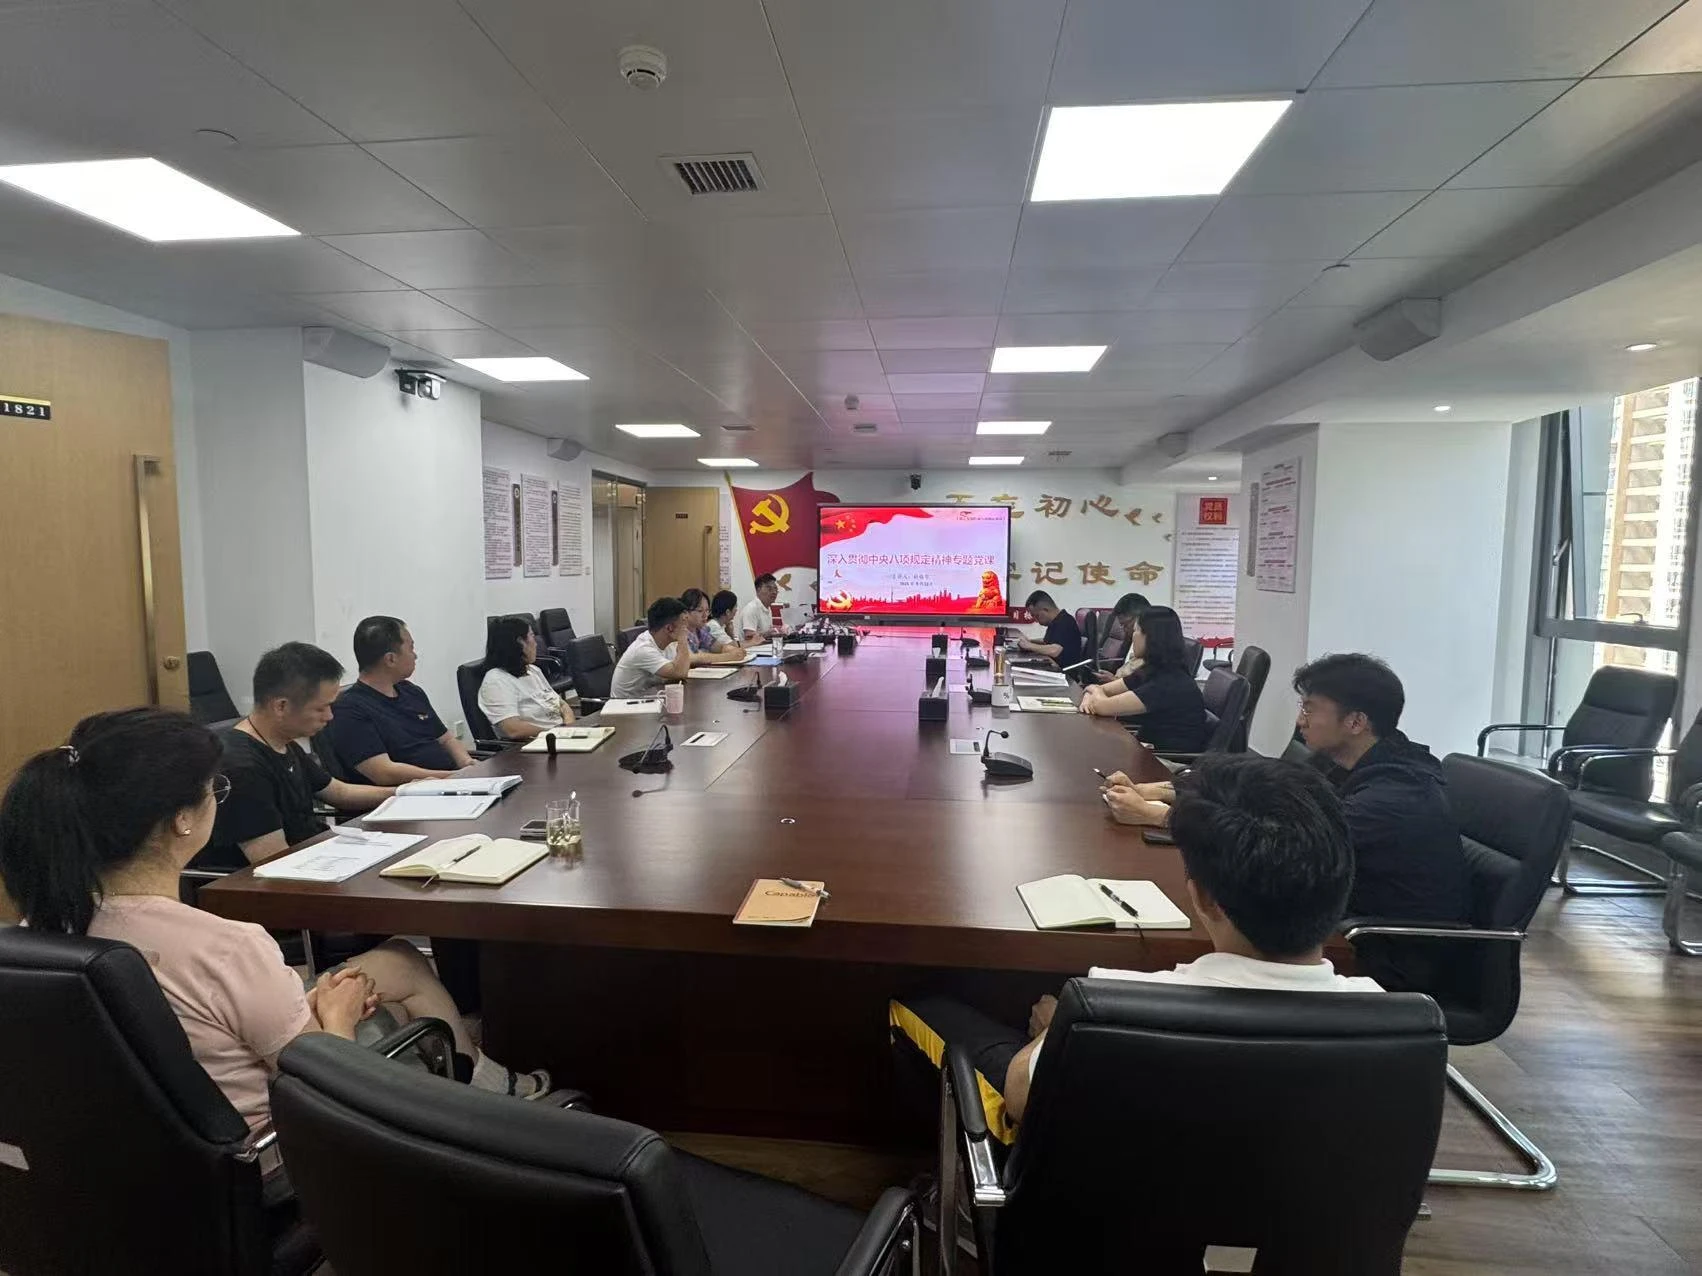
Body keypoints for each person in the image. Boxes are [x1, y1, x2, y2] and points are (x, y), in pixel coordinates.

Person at [0, 708, 551, 1134]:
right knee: (383, 1004)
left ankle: (493, 1084)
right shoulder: (226, 946)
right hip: (271, 1154)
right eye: (215, 789)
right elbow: (327, 1088)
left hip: (131, 1151)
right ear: (182, 820)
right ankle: (494, 1108)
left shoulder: (36, 933)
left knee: (399, 960)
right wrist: (335, 1016)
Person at [889, 754, 1381, 1141]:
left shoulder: (1106, 1008)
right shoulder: (1393, 1021)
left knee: (919, 1004)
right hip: (1293, 1225)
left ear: (1203, 897)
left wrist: (1053, 1031)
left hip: (1115, 1218)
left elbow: (1020, 1097)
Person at [1293, 653, 1468, 923]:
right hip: (1346, 910)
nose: (1300, 721)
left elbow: (1292, 852)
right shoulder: (1341, 763)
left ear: (1356, 722)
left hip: (1382, 940)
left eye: (1309, 709)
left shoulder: (1391, 798)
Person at [197, 642, 394, 870]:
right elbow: (275, 862)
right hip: (282, 878)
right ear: (281, 706)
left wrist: (405, 792)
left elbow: (339, 792)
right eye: (321, 708)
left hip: (314, 857)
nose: (330, 716)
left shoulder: (281, 742)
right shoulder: (241, 767)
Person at [329, 616, 474, 784]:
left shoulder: (411, 691)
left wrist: (466, 763)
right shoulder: (349, 709)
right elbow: (383, 772)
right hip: (417, 791)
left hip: (451, 782)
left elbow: (446, 739)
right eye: (411, 648)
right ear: (391, 659)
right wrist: (451, 777)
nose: (415, 656)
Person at [1077, 605, 1209, 752]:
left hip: (1167, 760)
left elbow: (1101, 706)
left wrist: (1094, 691)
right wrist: (1093, 693)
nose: (1132, 636)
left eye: (1136, 630)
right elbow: (1102, 691)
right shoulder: (1152, 671)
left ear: (1152, 637)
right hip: (1148, 750)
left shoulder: (1168, 682)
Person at [477, 616, 575, 741]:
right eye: (532, 636)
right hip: (534, 744)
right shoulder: (496, 681)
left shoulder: (532, 670)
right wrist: (554, 733)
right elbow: (513, 729)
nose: (536, 643)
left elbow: (561, 704)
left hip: (560, 736)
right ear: (520, 642)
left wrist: (569, 727)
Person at [609, 596, 694, 700]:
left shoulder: (667, 642)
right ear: (669, 628)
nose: (686, 628)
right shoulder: (643, 649)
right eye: (683, 623)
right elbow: (680, 672)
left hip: (648, 699)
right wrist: (683, 639)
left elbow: (683, 665)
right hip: (625, 706)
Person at [680, 587, 747, 666]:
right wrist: (729, 656)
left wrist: (735, 651)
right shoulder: (680, 631)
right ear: (686, 612)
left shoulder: (701, 630)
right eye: (700, 611)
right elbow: (693, 658)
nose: (705, 615)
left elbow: (719, 647)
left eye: (707, 610)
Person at [1092, 592, 1150, 681]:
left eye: (1125, 624)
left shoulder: (1152, 647)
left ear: (1140, 618)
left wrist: (1113, 680)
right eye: (1121, 625)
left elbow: (1139, 685)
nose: (1123, 629)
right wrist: (1112, 678)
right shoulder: (1130, 638)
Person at [1015, 590, 1083, 668]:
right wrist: (1030, 641)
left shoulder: (1065, 622)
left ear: (1045, 610)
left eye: (1036, 616)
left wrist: (1029, 645)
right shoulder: (1056, 621)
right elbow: (1048, 641)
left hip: (1063, 672)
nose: (1036, 620)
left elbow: (1055, 650)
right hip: (1052, 665)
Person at [739, 573, 784, 643]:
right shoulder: (751, 608)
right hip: (751, 648)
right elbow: (748, 636)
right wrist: (768, 634)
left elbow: (766, 630)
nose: (774, 592)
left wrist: (778, 629)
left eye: (775, 589)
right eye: (769, 589)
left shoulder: (767, 608)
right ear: (758, 590)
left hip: (763, 646)